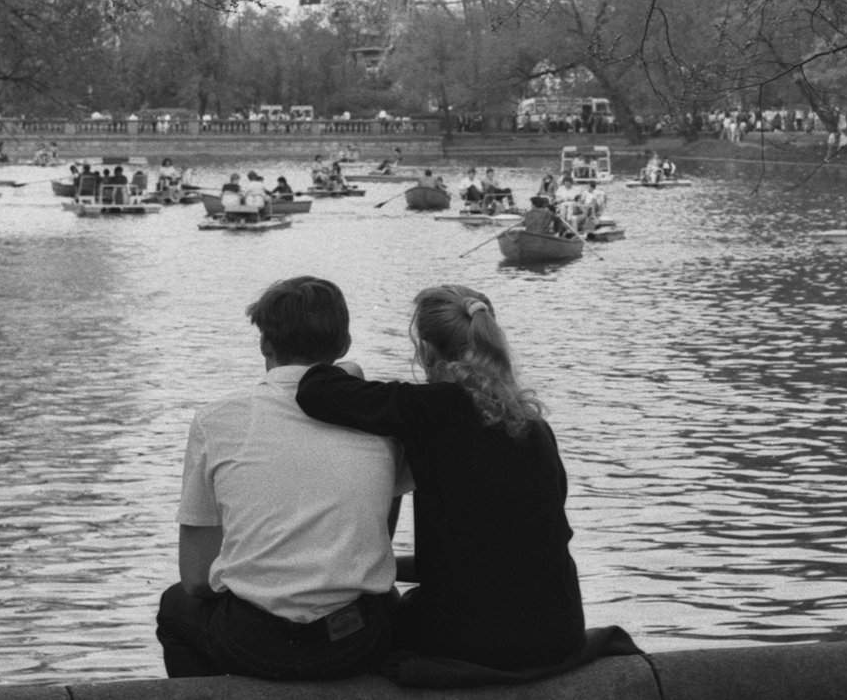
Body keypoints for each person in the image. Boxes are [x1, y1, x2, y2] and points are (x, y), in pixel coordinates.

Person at [296, 285, 584, 670]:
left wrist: (350, 370)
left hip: (470, 641)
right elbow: (507, 549)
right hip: (559, 633)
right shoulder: (535, 426)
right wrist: (391, 565)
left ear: (427, 349)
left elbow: (315, 390)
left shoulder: (428, 409)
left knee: (364, 625)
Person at [156, 277, 409, 679]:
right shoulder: (382, 420)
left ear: (264, 345)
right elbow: (378, 534)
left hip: (253, 642)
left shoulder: (217, 419)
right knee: (388, 601)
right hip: (355, 641)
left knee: (175, 608)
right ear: (343, 344)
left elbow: (196, 579)